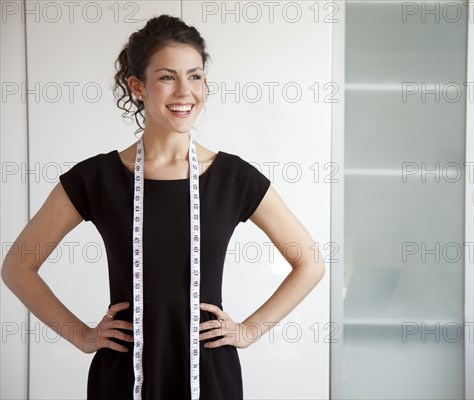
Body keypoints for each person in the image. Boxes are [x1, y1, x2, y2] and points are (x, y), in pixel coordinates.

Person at [1, 14, 325, 400]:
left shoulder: (234, 178)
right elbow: (18, 266)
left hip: (209, 373)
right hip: (123, 372)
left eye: (195, 75)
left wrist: (251, 330)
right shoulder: (97, 178)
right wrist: (81, 336)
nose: (185, 91)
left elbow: (311, 262)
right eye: (167, 77)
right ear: (137, 86)